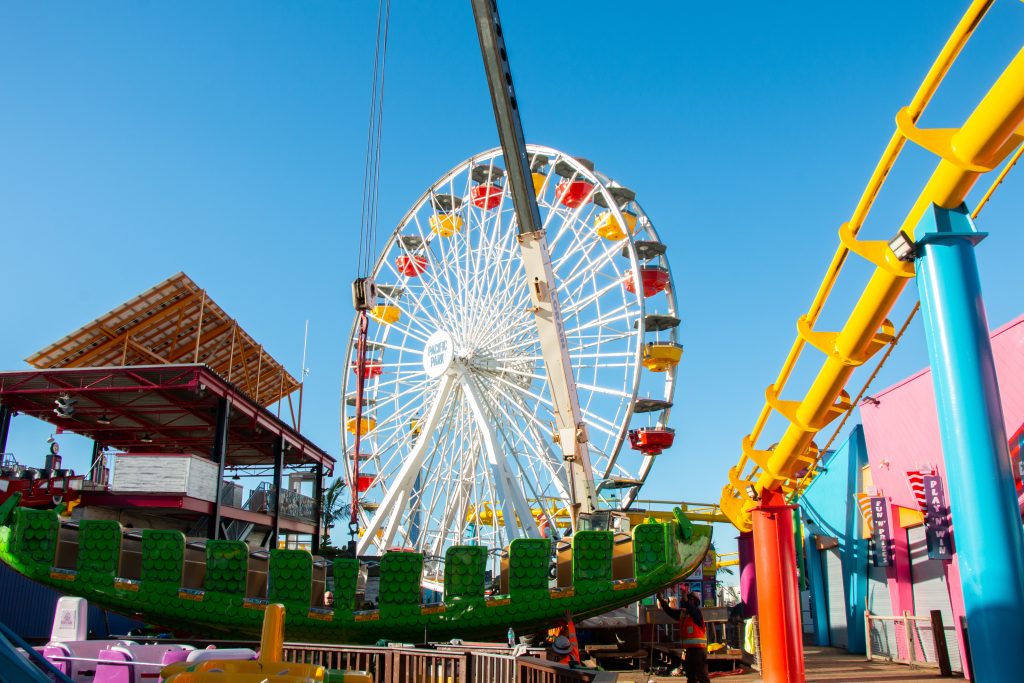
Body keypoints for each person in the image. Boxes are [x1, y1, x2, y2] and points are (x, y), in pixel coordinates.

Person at [657, 591, 709, 683]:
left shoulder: (697, 612)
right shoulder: (683, 613)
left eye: (689, 599)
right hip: (689, 651)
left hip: (699, 650)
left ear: (693, 601)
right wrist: (661, 600)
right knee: (691, 676)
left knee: (702, 676)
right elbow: (670, 611)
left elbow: (692, 610)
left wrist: (686, 600)